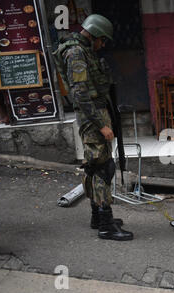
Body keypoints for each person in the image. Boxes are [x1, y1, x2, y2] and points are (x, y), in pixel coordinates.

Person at [53, 14, 133, 241]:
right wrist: (100, 125)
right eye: (103, 40)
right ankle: (106, 225)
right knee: (102, 169)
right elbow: (79, 94)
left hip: (95, 114)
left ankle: (98, 217)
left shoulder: (82, 51)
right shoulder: (76, 53)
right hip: (92, 119)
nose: (103, 45)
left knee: (94, 167)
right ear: (94, 34)